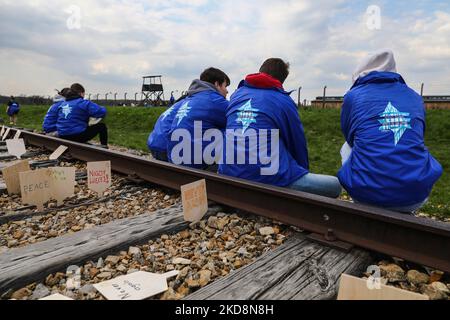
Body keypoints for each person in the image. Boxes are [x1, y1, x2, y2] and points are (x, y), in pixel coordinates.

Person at [219, 58, 342, 198]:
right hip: (270, 178)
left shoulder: (236, 95)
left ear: (260, 71)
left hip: (229, 174)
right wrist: (302, 171)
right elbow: (297, 142)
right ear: (281, 80)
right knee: (335, 186)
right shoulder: (283, 100)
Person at [338, 49, 443, 213]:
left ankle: (367, 197)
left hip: (365, 194)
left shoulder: (353, 96)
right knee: (413, 142)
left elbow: (349, 134)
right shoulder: (415, 96)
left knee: (347, 146)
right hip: (416, 195)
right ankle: (403, 201)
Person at [167, 67, 230, 170]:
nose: (227, 91)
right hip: (195, 162)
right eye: (225, 86)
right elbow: (238, 121)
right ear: (216, 84)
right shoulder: (214, 100)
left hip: (175, 157)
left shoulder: (191, 98)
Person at [56, 83, 109, 147]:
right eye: (84, 94)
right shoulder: (83, 103)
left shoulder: (63, 104)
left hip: (62, 135)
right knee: (101, 126)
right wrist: (102, 107)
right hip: (77, 136)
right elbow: (101, 112)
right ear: (81, 93)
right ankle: (104, 146)